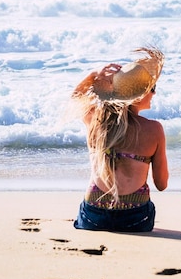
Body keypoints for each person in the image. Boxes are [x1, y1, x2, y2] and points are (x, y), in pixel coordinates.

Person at [71, 47, 169, 233]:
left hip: (93, 217)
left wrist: (93, 76)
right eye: (152, 89)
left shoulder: (96, 121)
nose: (154, 94)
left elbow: (76, 99)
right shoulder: (154, 129)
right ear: (139, 96)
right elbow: (161, 184)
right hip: (135, 219)